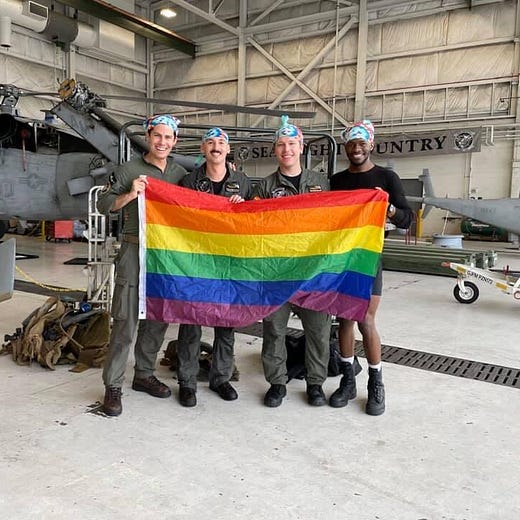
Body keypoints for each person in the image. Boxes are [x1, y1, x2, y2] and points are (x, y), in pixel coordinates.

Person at [97, 114, 187, 417]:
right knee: (125, 319)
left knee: (158, 317)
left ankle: (144, 374)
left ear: (174, 141)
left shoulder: (179, 173)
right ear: (148, 137)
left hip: (164, 255)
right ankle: (113, 385)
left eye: (168, 137)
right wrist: (130, 194)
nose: (162, 142)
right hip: (134, 249)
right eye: (157, 136)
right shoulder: (128, 170)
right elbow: (103, 204)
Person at [329, 119, 413, 416]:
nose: (356, 148)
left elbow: (407, 219)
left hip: (370, 256)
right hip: (343, 258)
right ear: (345, 147)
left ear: (371, 145)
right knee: (344, 318)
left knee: (365, 319)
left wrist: (388, 207)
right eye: (351, 143)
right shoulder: (337, 181)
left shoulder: (387, 177)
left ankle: (376, 383)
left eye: (361, 143)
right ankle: (348, 380)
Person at [254, 116, 332, 408]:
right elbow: (254, 226)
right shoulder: (265, 186)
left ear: (301, 146)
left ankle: (316, 383)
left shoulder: (321, 183)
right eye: (281, 145)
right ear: (275, 150)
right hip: (278, 271)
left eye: (291, 144)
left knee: (319, 330)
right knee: (274, 329)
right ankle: (277, 382)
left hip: (314, 272)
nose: (286, 149)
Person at [175, 127, 252, 407]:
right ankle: (187, 380)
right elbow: (176, 217)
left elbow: (254, 221)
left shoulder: (243, 182)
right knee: (191, 322)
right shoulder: (189, 181)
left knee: (226, 322)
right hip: (196, 262)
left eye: (221, 142)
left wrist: (243, 206)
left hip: (229, 262)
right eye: (210, 142)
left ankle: (221, 377)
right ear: (203, 149)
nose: (216, 147)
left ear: (228, 149)